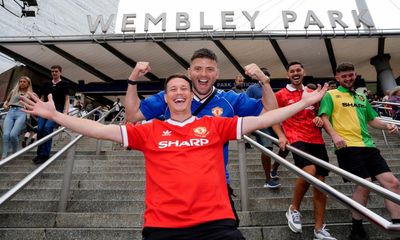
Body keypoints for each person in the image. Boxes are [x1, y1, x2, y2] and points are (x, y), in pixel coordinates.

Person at [20, 68, 327, 240]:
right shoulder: (150, 131)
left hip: (216, 225)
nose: (179, 93)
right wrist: (57, 116)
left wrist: (303, 103)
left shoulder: (215, 125)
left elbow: (264, 119)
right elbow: (100, 131)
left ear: (192, 95)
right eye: (172, 90)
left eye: (184, 88)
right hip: (163, 228)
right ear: (166, 98)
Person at [124, 48, 278, 225]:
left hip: (216, 187)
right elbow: (133, 115)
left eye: (209, 69)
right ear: (189, 72)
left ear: (217, 73)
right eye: (198, 69)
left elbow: (270, 112)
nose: (203, 74)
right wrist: (133, 77)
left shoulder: (230, 99)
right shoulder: (175, 96)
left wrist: (264, 80)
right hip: (172, 189)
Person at [319, 62, 400, 240]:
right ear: (337, 77)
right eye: (344, 76)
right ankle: (356, 228)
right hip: (347, 146)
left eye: (351, 75)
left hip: (368, 146)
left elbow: (372, 120)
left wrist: (388, 126)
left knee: (392, 183)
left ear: (355, 75)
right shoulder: (331, 95)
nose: (348, 78)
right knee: (364, 183)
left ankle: (397, 224)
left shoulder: (361, 95)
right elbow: (323, 117)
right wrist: (334, 136)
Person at [274, 61, 336, 240]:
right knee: (309, 171)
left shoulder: (312, 93)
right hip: (296, 137)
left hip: (316, 139)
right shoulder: (281, 95)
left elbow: (321, 113)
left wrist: (318, 118)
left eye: (298, 70)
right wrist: (281, 135)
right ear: (288, 75)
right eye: (291, 71)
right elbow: (272, 117)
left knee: (320, 181)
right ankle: (293, 208)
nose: (295, 73)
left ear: (303, 72)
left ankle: (318, 229)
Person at [246, 67, 287, 188]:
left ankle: (274, 168)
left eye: (267, 75)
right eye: (263, 75)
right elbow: (246, 105)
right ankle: (268, 179)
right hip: (260, 123)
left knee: (286, 146)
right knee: (267, 148)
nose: (265, 77)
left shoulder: (269, 89)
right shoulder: (252, 89)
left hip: (273, 122)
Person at [32, 65, 69, 164]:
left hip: (56, 110)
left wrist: (65, 112)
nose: (54, 73)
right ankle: (39, 153)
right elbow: (42, 97)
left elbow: (67, 99)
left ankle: (45, 155)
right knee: (40, 129)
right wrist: (38, 108)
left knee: (48, 128)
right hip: (44, 109)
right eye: (52, 71)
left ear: (60, 72)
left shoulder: (65, 84)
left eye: (56, 71)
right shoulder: (46, 84)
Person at [2, 76, 36, 159]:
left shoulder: (31, 94)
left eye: (24, 82)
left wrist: (30, 109)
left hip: (21, 113)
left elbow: (37, 104)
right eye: (20, 81)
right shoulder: (14, 91)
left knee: (13, 135)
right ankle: (4, 156)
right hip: (10, 112)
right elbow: (6, 101)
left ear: (28, 83)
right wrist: (5, 105)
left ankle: (15, 153)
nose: (22, 83)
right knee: (6, 135)